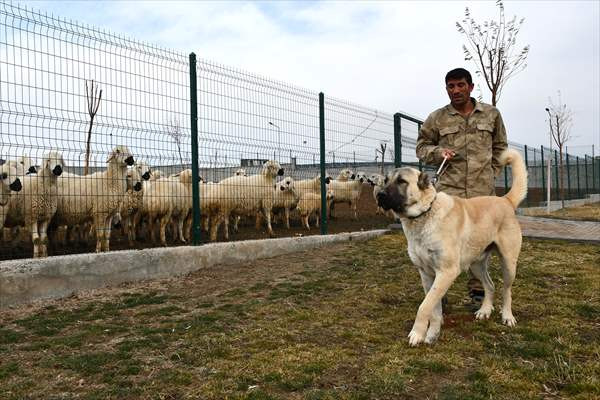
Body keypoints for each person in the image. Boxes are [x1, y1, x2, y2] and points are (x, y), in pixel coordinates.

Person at [416, 67, 508, 307]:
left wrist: (491, 173)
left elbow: (500, 148)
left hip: (482, 194)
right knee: (439, 244)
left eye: (460, 85)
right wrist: (437, 152)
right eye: (450, 86)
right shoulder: (437, 118)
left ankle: (478, 293)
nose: (455, 90)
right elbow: (421, 147)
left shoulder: (491, 115)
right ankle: (439, 296)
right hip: (449, 194)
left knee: (480, 244)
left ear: (471, 87)